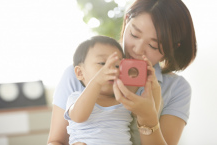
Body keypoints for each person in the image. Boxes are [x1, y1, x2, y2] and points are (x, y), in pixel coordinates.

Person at [47, 0, 197, 144]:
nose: (137, 50)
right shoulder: (80, 74)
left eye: (153, 46)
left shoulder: (176, 89)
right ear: (126, 21)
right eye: (134, 35)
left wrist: (148, 119)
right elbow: (56, 141)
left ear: (173, 48)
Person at [64, 35, 133, 145]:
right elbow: (78, 116)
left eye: (117, 66)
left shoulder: (125, 100)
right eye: (102, 63)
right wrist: (96, 82)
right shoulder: (76, 98)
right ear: (80, 73)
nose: (111, 69)